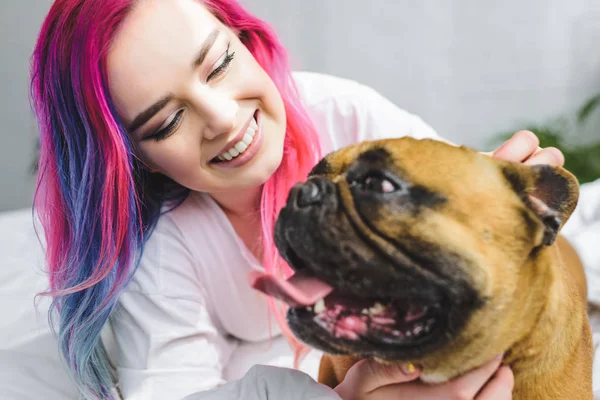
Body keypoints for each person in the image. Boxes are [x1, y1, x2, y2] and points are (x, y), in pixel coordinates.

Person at [30, 0, 566, 399]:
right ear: (134, 157)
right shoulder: (157, 240)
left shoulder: (346, 116)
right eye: (167, 121)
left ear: (245, 38)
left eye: (218, 64)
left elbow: (454, 205)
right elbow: (174, 389)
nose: (221, 117)